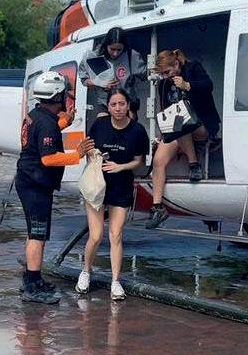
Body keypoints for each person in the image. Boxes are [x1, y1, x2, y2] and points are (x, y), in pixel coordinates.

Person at [16, 71, 95, 304]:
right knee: (37, 235)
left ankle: (32, 278)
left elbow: (44, 133)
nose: (65, 99)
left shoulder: (36, 116)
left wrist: (65, 122)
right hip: (36, 184)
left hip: (28, 180)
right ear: (57, 96)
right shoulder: (46, 123)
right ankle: (32, 287)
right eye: (63, 95)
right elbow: (48, 158)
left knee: (34, 233)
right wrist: (77, 154)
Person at [75, 89, 149, 300]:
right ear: (108, 107)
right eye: (114, 104)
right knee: (96, 235)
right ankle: (86, 271)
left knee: (116, 234)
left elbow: (139, 162)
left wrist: (120, 166)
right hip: (97, 185)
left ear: (128, 106)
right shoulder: (99, 125)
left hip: (121, 185)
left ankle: (115, 281)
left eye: (122, 104)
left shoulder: (137, 130)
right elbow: (86, 150)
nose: (118, 108)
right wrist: (94, 155)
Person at [146, 49, 221, 229]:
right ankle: (158, 207)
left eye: (167, 72)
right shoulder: (164, 84)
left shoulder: (193, 68)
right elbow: (166, 110)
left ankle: (194, 164)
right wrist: (163, 134)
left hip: (202, 124)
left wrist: (187, 85)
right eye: (162, 74)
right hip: (178, 128)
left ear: (176, 64)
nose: (166, 76)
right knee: (158, 161)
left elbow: (208, 85)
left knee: (181, 124)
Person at [79, 27, 146, 120]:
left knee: (127, 126)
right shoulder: (95, 57)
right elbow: (84, 80)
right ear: (106, 45)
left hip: (126, 104)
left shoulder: (131, 56)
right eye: (112, 49)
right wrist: (99, 82)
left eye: (119, 50)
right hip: (105, 103)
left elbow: (146, 74)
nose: (115, 53)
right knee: (102, 123)